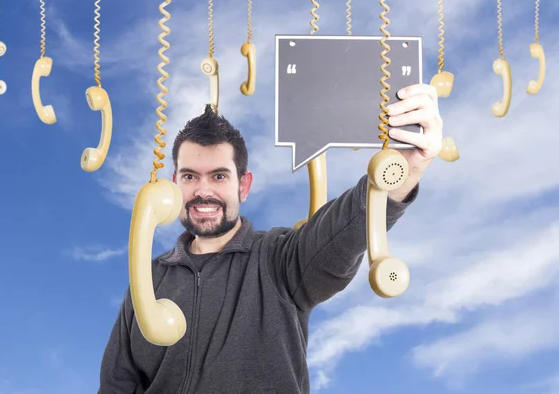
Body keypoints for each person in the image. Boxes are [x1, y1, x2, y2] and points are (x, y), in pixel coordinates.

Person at [98, 83, 443, 393]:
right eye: (190, 176)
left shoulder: (280, 258)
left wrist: (407, 167)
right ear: (174, 183)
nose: (203, 191)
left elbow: (342, 232)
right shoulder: (149, 279)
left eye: (219, 176)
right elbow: (116, 385)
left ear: (243, 185)